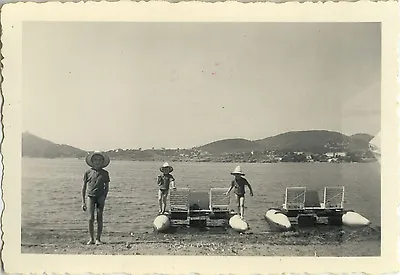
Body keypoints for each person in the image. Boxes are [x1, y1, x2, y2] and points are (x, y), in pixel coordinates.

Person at [82, 151, 110, 245]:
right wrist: (83, 202)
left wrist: (104, 196)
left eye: (99, 160)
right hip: (90, 197)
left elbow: (107, 186)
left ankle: (98, 239)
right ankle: (91, 239)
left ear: (102, 162)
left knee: (99, 217)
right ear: (92, 161)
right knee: (90, 218)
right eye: (95, 160)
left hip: (100, 197)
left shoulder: (105, 173)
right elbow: (84, 187)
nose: (97, 162)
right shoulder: (88, 172)